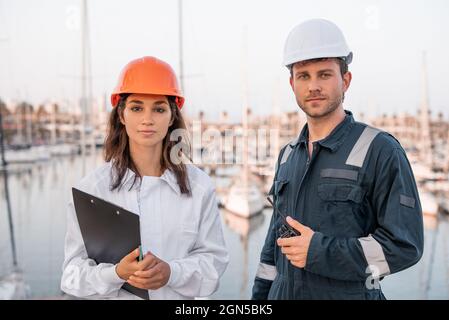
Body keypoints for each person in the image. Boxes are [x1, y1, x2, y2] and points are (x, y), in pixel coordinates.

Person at [252, 19, 424, 300]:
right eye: (304, 76)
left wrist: (320, 252)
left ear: (345, 80)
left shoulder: (379, 149)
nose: (313, 86)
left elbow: (405, 246)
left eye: (324, 74)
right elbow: (272, 247)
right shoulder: (286, 156)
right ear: (292, 83)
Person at [61, 56, 229, 299]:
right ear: (121, 114)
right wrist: (116, 273)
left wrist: (172, 273)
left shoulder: (199, 187)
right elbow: (71, 276)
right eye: (137, 108)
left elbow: (214, 263)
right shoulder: (91, 190)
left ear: (172, 117)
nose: (147, 119)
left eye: (159, 109)